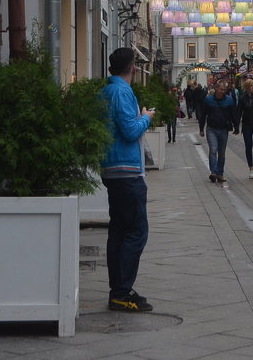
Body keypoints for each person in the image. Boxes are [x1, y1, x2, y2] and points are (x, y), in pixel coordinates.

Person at [99, 48, 154, 312]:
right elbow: (131, 130)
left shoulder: (107, 91)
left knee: (119, 231)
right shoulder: (121, 91)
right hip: (126, 170)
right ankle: (121, 292)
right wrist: (146, 117)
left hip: (112, 167)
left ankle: (119, 289)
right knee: (136, 231)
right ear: (133, 68)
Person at [198, 80, 239, 183]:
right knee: (213, 149)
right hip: (211, 128)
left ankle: (220, 174)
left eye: (224, 90)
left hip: (223, 129)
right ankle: (213, 172)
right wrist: (201, 128)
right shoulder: (208, 100)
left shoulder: (229, 100)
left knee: (222, 153)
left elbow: (234, 114)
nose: (222, 91)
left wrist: (236, 126)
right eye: (221, 89)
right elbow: (203, 115)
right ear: (216, 88)